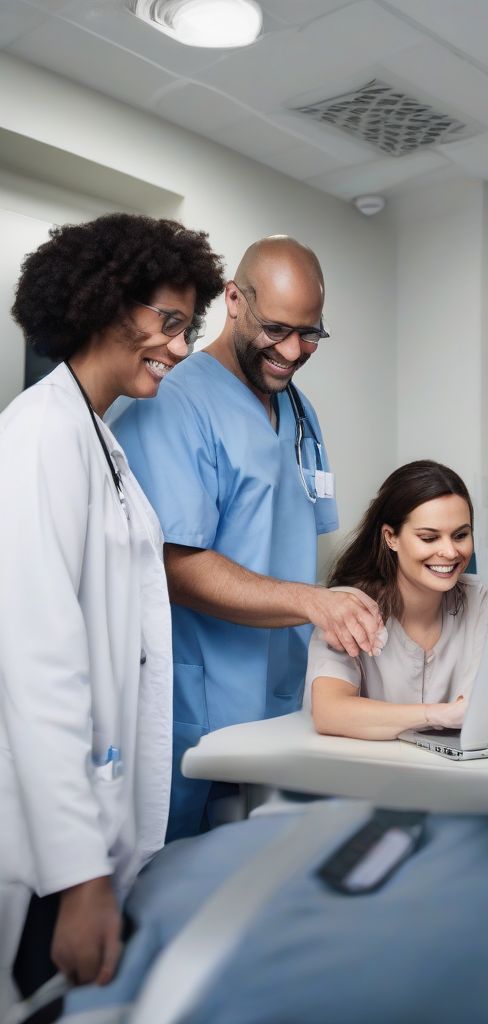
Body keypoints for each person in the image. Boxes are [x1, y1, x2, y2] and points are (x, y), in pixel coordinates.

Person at [0, 213, 223, 1011]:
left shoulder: (98, 439)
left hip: (90, 828)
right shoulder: (37, 439)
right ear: (103, 304)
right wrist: (81, 872)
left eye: (187, 326)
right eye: (167, 320)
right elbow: (39, 669)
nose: (180, 345)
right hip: (48, 853)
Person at [112, 237, 382, 841]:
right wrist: (312, 603)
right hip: (201, 700)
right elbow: (171, 565)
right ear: (234, 300)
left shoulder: (297, 407)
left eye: (309, 334)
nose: (292, 351)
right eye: (278, 328)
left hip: (283, 695)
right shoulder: (172, 404)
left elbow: (293, 539)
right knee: (181, 879)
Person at [307, 460, 488, 739]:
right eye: (429, 538)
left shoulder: (482, 600)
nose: (450, 552)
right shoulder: (347, 607)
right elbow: (329, 712)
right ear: (390, 537)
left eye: (460, 535)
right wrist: (437, 714)